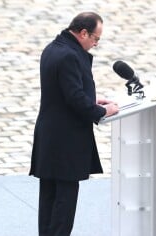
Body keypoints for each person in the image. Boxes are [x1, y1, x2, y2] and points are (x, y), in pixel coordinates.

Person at [29, 12, 119, 236]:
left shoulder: (52, 48)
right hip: (65, 140)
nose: (96, 44)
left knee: (49, 199)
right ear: (83, 33)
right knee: (64, 204)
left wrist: (91, 98)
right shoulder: (69, 56)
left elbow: (63, 91)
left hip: (50, 135)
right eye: (95, 39)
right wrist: (101, 110)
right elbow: (75, 99)